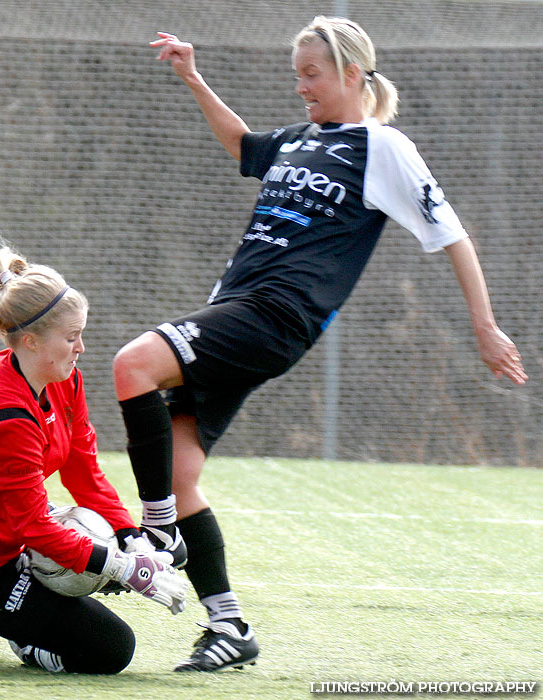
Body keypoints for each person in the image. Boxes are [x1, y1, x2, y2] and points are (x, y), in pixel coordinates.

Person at [112, 16, 528, 672]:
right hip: (236, 310)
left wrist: (484, 325)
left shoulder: (382, 147)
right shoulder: (300, 139)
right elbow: (243, 146)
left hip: (277, 316)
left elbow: (452, 235)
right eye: (296, 75)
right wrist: (193, 76)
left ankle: (157, 530)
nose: (301, 86)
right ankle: (228, 626)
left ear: (352, 75)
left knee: (132, 363)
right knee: (180, 472)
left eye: (312, 74)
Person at [0, 197, 186, 676]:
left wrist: (130, 538)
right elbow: (34, 526)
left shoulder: (62, 379)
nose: (82, 347)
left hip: (5, 535)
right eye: (71, 336)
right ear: (31, 341)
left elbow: (83, 465)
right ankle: (20, 636)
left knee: (103, 548)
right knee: (110, 650)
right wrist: (124, 569)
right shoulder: (4, 415)